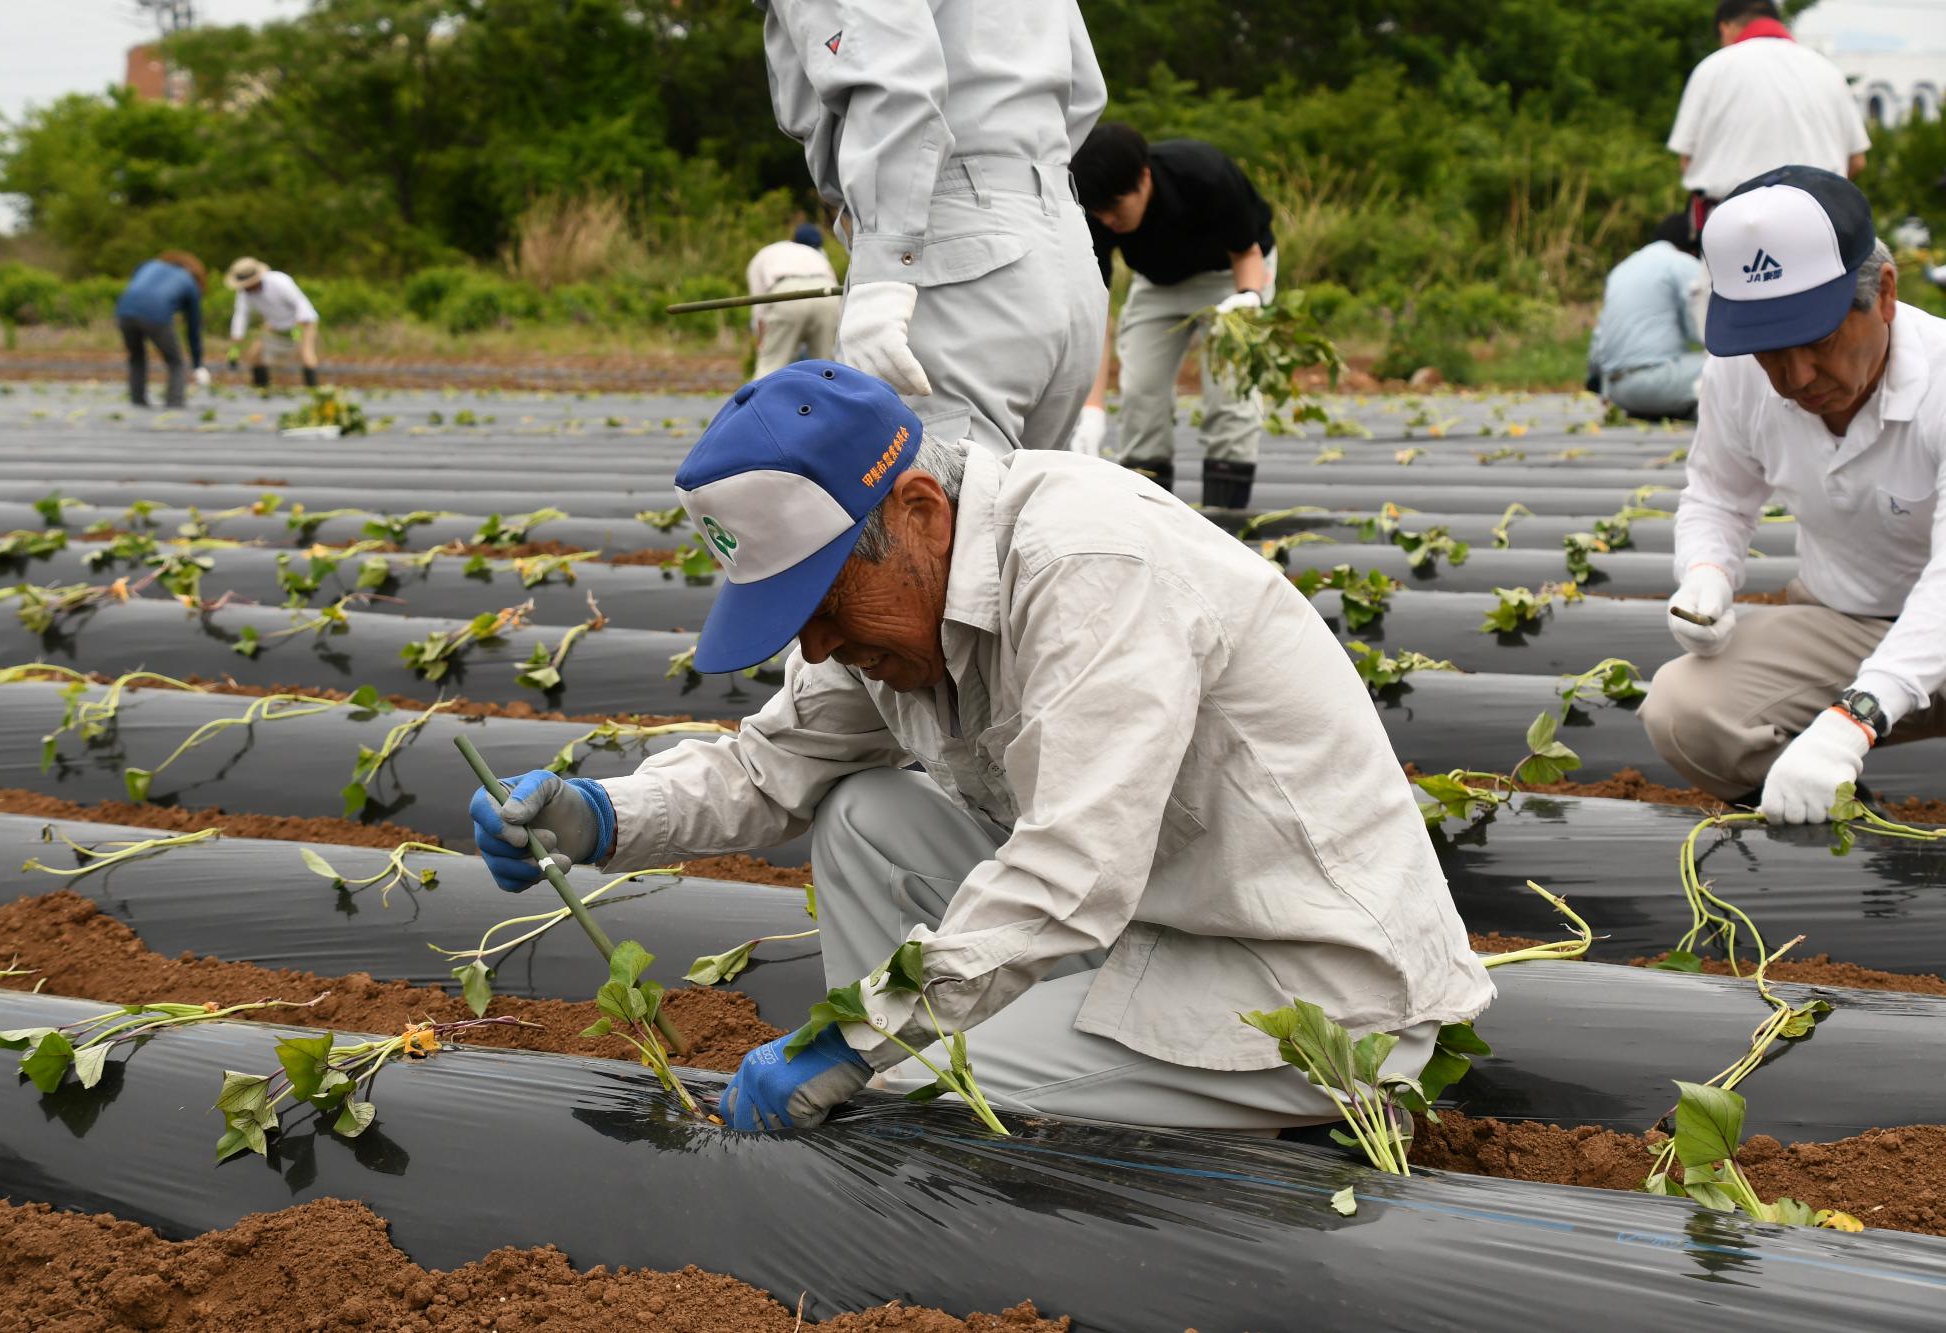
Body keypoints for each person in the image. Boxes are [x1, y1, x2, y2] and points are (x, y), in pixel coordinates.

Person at [468, 361, 1494, 1133]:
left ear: (916, 509)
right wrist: (597, 816)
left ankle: (925, 1107)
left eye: (822, 602)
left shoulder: (1088, 568)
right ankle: (935, 1073)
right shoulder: (896, 586)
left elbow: (1068, 870)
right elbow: (765, 767)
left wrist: (852, 1042)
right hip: (1152, 919)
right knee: (864, 816)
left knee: (913, 1089)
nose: (818, 645)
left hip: (1300, 977)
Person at [1642, 167, 1946, 824]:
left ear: (1885, 295)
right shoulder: (1738, 374)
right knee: (1683, 711)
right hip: (1848, 622)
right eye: (1769, 351)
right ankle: (1846, 834)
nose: (1796, 377)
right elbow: (1719, 495)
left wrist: (1854, 719)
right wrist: (1706, 574)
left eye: (1819, 339)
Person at [758, 0, 1108, 457]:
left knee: (934, 512)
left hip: (948, 243)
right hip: (1061, 233)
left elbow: (892, 81)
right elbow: (1083, 90)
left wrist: (885, 264)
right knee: (1027, 512)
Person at [1068, 123, 1276, 510]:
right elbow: (1099, 316)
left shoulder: (1205, 175)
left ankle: (1225, 516)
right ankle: (1151, 515)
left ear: (1144, 177)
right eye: (1101, 212)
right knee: (1141, 387)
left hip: (1228, 275)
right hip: (1158, 282)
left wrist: (1248, 300)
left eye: (1117, 207)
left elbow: (1247, 254)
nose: (1110, 219)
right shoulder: (1093, 214)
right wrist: (1092, 409)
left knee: (1230, 391)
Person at [1668, 0, 1869, 236]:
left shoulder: (1712, 68)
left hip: (1733, 226)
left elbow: (1687, 162)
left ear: (1725, 28)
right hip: (1816, 226)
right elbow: (1857, 161)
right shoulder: (1828, 71)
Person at [1586, 214, 1707, 421]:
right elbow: (1706, 328)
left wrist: (1597, 381)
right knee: (1739, 368)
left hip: (1615, 389)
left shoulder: (1623, 268)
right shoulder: (1682, 263)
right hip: (1654, 382)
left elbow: (1598, 342)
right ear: (1692, 247)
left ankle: (1662, 409)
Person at [113, 251, 210, 409]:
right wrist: (198, 364)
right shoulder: (190, 283)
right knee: (176, 361)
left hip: (124, 311)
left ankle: (137, 401)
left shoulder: (150, 264)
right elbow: (193, 329)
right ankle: (174, 403)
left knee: (136, 358)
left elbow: (136, 276)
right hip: (157, 315)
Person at [746, 223, 840, 378]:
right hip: (826, 292)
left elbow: (759, 304)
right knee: (826, 368)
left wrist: (761, 336)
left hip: (787, 293)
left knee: (771, 366)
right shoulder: (817, 253)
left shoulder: (764, 254)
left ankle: (760, 400)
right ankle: (830, 400)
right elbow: (833, 281)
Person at [224, 257, 321, 390]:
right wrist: (236, 341)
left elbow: (300, 303)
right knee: (255, 355)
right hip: (274, 324)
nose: (246, 288)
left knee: (306, 355)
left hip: (302, 321)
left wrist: (299, 326)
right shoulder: (244, 293)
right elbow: (241, 315)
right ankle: (262, 390)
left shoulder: (279, 282)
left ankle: (313, 393)